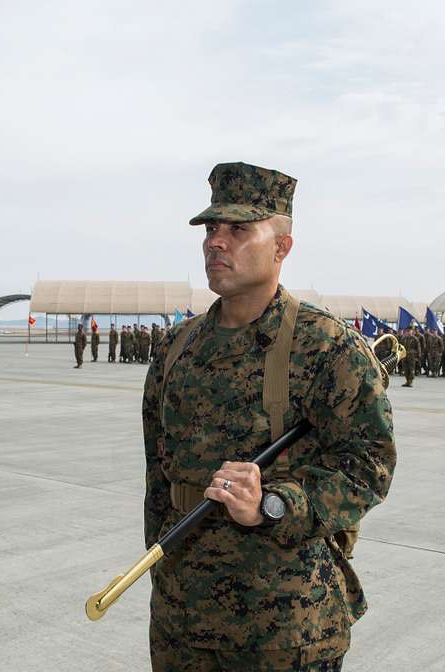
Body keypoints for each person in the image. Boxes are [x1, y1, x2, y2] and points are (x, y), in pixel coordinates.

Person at [143, 162, 395, 671]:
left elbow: (369, 466)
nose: (216, 242)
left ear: (281, 247)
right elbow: (159, 473)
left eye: (237, 229)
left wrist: (275, 504)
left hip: (284, 625)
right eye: (212, 229)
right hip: (182, 621)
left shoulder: (326, 346)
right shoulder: (176, 347)